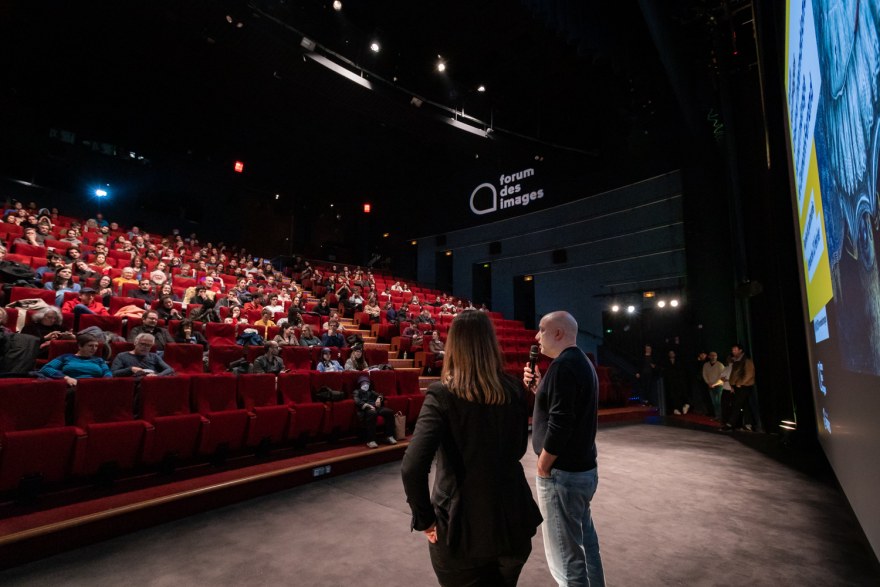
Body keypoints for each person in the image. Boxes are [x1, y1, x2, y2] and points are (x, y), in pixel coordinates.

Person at [402, 311, 542, 586]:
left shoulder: (441, 395)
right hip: (512, 520)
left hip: (460, 528)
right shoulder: (514, 389)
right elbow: (518, 449)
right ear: (491, 344)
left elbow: (412, 466)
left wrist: (425, 520)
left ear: (454, 346)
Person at [523, 311, 605, 586]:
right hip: (583, 469)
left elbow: (560, 423)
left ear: (558, 333)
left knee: (565, 559)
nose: (536, 336)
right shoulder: (580, 362)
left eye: (542, 330)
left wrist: (543, 465)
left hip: (562, 474)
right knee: (586, 545)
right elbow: (563, 409)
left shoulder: (562, 367)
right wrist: (539, 389)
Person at [39, 331, 112, 386]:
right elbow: (46, 368)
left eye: (96, 346)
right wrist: (65, 378)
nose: (94, 349)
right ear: (80, 346)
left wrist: (104, 382)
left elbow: (107, 372)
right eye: (90, 346)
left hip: (93, 387)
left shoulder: (99, 360)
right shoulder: (66, 357)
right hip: (73, 386)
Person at [719, 343, 759, 432]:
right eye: (732, 350)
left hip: (744, 386)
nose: (733, 352)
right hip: (736, 386)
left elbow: (749, 374)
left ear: (740, 350)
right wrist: (732, 385)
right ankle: (749, 424)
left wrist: (740, 383)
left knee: (737, 405)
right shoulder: (736, 361)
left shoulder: (746, 360)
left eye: (735, 350)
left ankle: (730, 424)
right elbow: (733, 375)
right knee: (744, 405)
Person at [353, 374, 395, 448]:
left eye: (367, 383)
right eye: (364, 383)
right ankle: (371, 440)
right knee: (372, 413)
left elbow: (381, 395)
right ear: (360, 384)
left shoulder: (371, 391)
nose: (366, 385)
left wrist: (379, 398)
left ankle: (389, 436)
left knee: (389, 412)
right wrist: (368, 405)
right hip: (366, 409)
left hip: (375, 407)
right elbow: (357, 401)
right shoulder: (357, 391)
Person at [111, 333, 175, 377]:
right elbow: (114, 373)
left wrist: (158, 375)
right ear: (135, 342)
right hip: (132, 384)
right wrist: (131, 369)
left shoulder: (154, 356)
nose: (145, 347)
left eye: (148, 345)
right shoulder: (122, 356)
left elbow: (170, 369)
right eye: (142, 344)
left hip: (151, 383)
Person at [663, 349, 690, 415]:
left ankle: (685, 406)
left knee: (681, 394)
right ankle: (675, 409)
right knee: (672, 395)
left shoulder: (679, 362)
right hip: (671, 382)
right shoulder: (666, 363)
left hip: (679, 381)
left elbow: (682, 371)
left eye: (672, 353)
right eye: (670, 353)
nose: (671, 354)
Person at [702, 351, 725, 421]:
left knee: (719, 402)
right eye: (711, 355)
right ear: (709, 356)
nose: (713, 357)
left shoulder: (720, 365)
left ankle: (721, 416)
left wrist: (714, 384)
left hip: (718, 386)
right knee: (714, 402)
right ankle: (717, 416)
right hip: (710, 385)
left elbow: (722, 377)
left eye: (715, 355)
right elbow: (704, 374)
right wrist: (708, 382)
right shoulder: (706, 365)